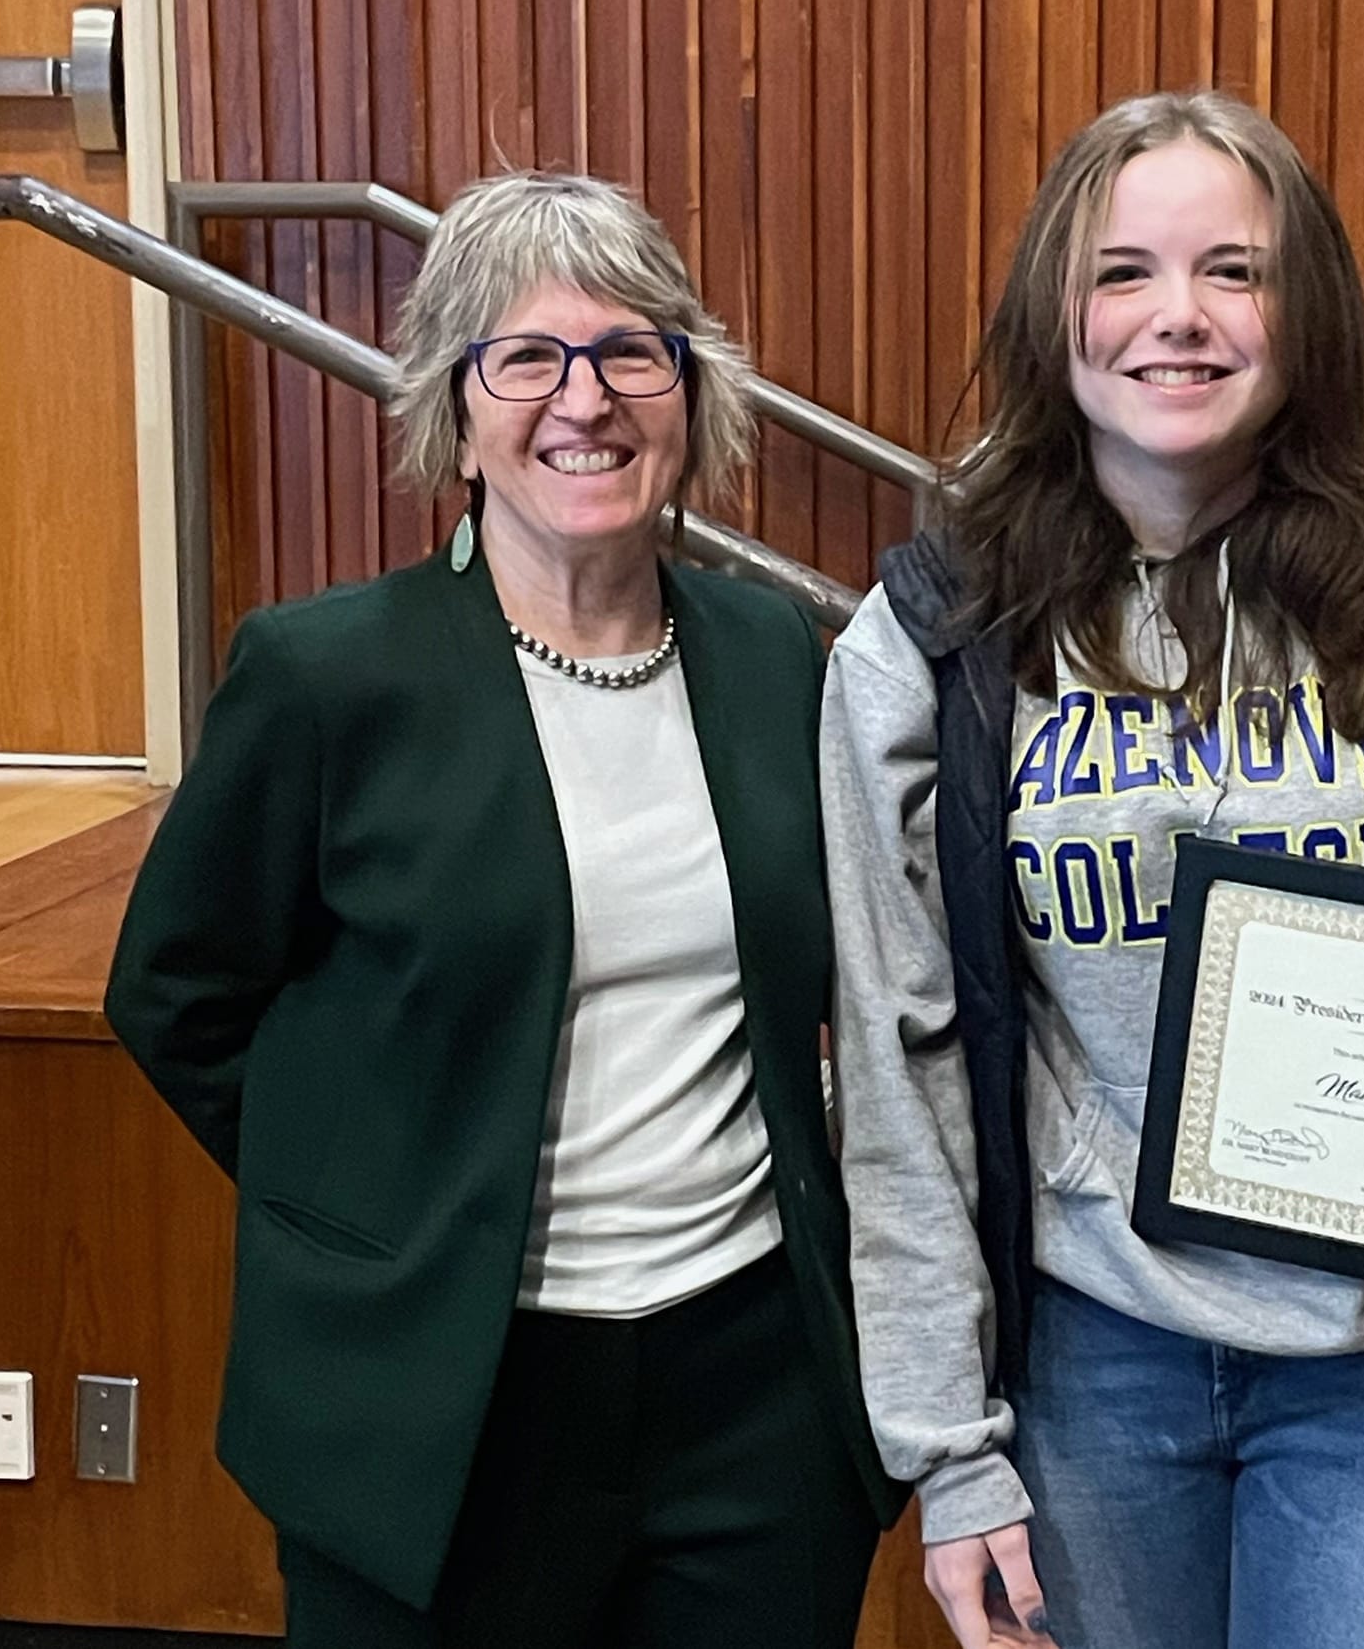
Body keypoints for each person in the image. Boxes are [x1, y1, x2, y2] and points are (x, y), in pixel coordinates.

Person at [820, 92, 1364, 1649]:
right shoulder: (934, 641)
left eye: (1235, 271)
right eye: (1122, 272)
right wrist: (947, 1455)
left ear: (1307, 322)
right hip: (1096, 1353)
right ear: (1054, 313)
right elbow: (902, 1077)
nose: (1179, 318)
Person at [105, 169, 898, 1649]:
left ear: (690, 391)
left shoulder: (775, 653)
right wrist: (376, 1211)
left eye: (630, 353)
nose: (582, 401)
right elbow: (177, 995)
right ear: (457, 411)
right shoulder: (327, 677)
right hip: (439, 1411)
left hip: (752, 1401)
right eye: (526, 358)